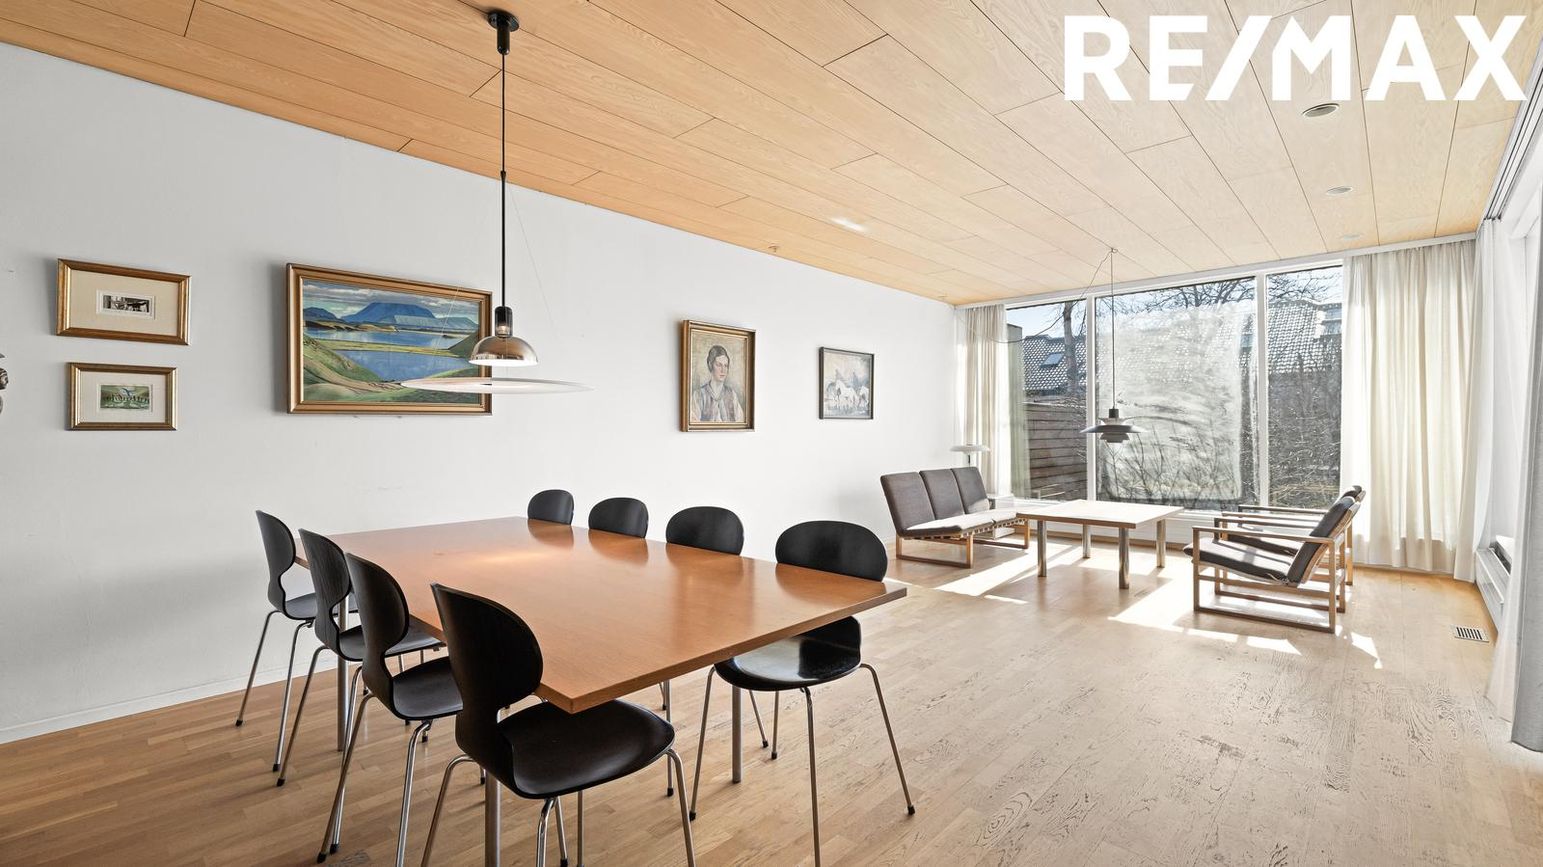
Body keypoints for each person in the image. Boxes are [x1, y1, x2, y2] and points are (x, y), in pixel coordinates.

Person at [692, 344, 743, 423]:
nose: (723, 370)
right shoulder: (699, 395)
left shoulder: (732, 395)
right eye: (719, 365)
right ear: (710, 365)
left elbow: (740, 421)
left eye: (726, 366)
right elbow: (693, 422)